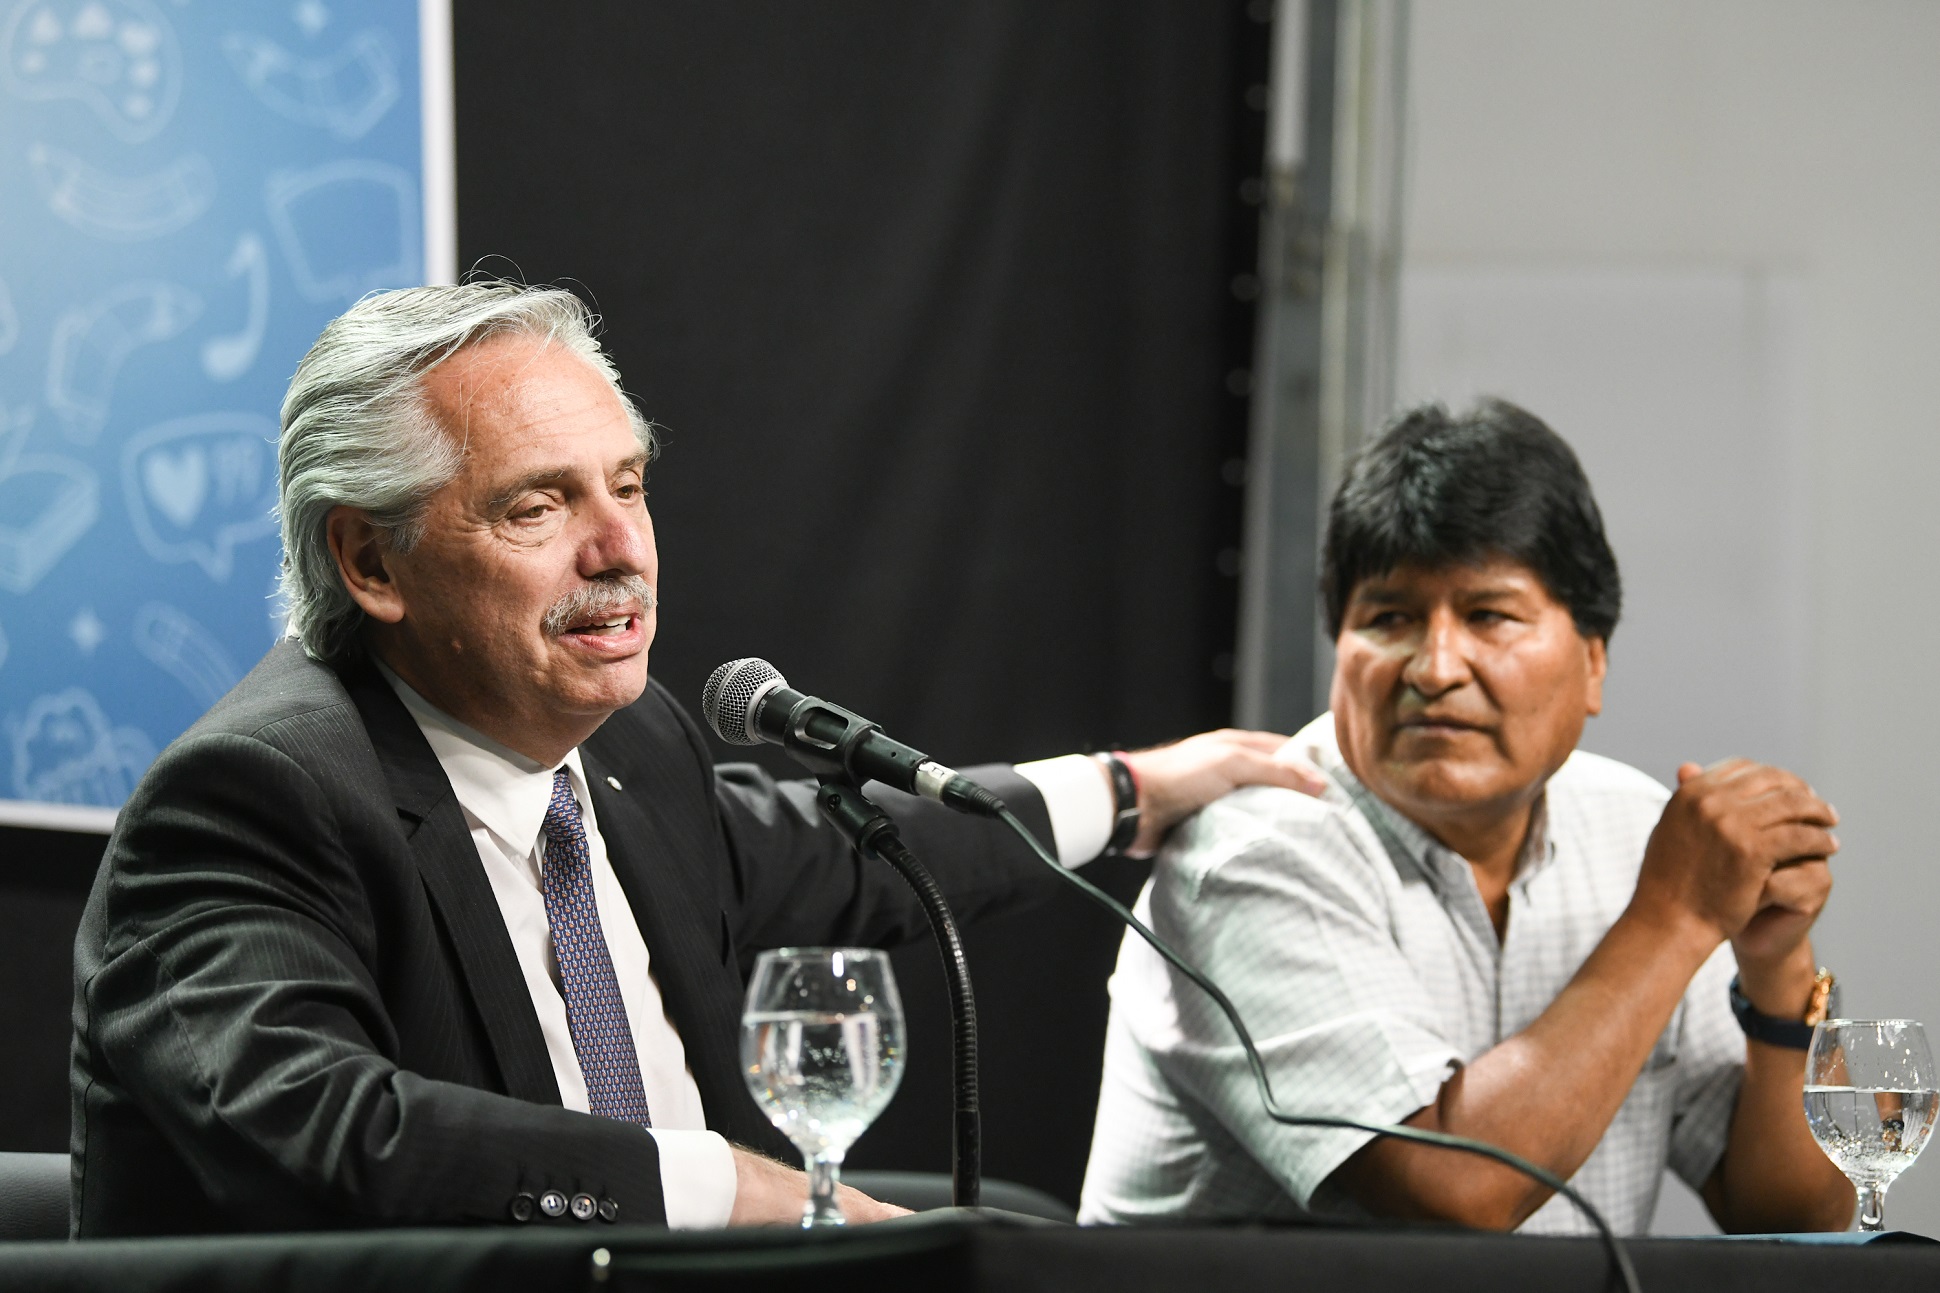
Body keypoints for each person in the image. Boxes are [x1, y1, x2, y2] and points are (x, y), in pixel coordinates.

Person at [69, 282, 1323, 1236]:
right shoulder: (255, 799)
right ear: (371, 563)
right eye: (537, 506)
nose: (621, 549)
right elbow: (330, 1131)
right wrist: (725, 1188)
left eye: (629, 484)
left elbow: (855, 855)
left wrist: (1128, 788)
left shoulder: (629, 747)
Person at [1080, 399, 1855, 1235]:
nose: (1437, 666)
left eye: (1488, 615)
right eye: (1389, 618)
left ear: (1593, 663)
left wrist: (1780, 984)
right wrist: (1677, 917)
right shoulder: (1249, 851)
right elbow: (1455, 1193)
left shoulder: (1636, 829)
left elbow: (1795, 1218)